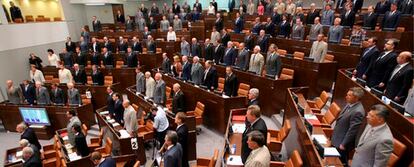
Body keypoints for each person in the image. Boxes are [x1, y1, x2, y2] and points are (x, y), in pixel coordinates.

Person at [331, 87, 365, 166]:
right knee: (333, 159)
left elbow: (352, 130)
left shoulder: (358, 111)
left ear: (356, 98)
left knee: (340, 162)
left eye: (349, 95)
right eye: (347, 94)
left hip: (342, 142)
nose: (346, 97)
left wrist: (343, 144)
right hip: (337, 137)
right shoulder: (350, 104)